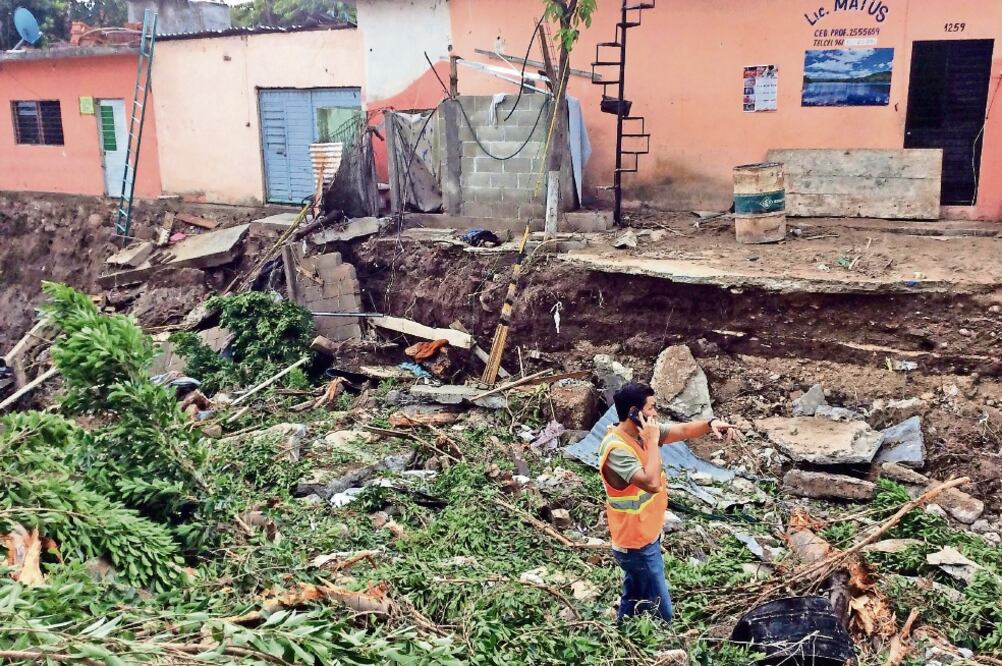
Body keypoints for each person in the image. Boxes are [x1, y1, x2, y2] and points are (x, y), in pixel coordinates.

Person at [598, 382, 740, 624]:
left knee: (634, 593)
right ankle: (665, 646)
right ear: (634, 412)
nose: (655, 414)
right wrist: (652, 442)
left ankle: (623, 627)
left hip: (645, 536)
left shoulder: (641, 434)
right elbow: (651, 483)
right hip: (636, 545)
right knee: (663, 614)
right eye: (652, 408)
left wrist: (710, 424)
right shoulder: (617, 449)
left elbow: (683, 430)